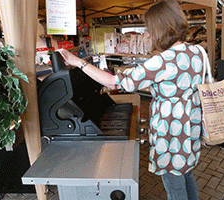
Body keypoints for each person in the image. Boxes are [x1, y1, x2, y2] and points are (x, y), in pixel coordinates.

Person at [57, 0, 205, 199]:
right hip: (189, 126)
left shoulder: (162, 61)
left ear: (161, 28)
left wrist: (78, 62)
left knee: (175, 188)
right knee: (186, 174)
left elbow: (112, 82)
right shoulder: (197, 52)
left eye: (150, 29)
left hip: (171, 132)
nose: (149, 34)